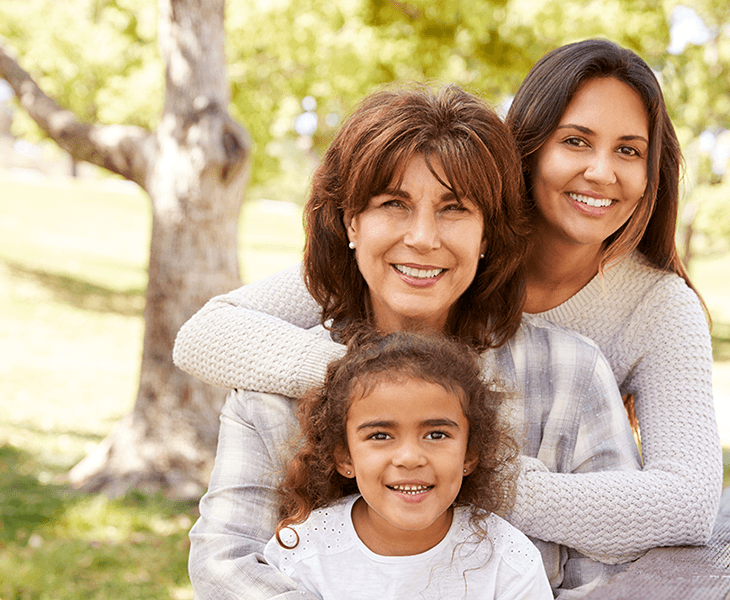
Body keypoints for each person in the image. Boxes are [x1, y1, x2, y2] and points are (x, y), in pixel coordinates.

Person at [182, 84, 641, 600]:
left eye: (454, 208)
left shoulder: (571, 373)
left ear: (488, 234)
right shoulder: (269, 382)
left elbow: (616, 575)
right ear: (351, 221)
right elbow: (226, 566)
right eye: (393, 204)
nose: (423, 237)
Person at [264, 329, 552, 599]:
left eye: (436, 434)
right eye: (380, 435)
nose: (410, 458)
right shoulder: (301, 550)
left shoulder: (508, 559)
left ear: (470, 454)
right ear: (344, 457)